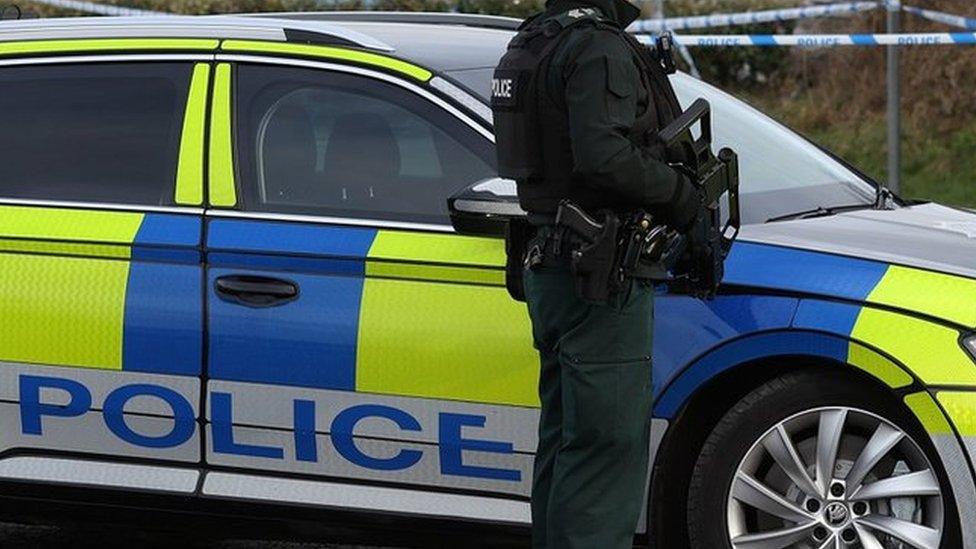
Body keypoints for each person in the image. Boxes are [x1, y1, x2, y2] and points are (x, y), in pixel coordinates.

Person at [491, 0, 701, 547]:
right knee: (605, 451)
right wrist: (684, 198)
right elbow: (603, 157)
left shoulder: (535, 40)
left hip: (554, 262)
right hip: (599, 273)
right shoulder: (596, 46)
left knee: (567, 445)